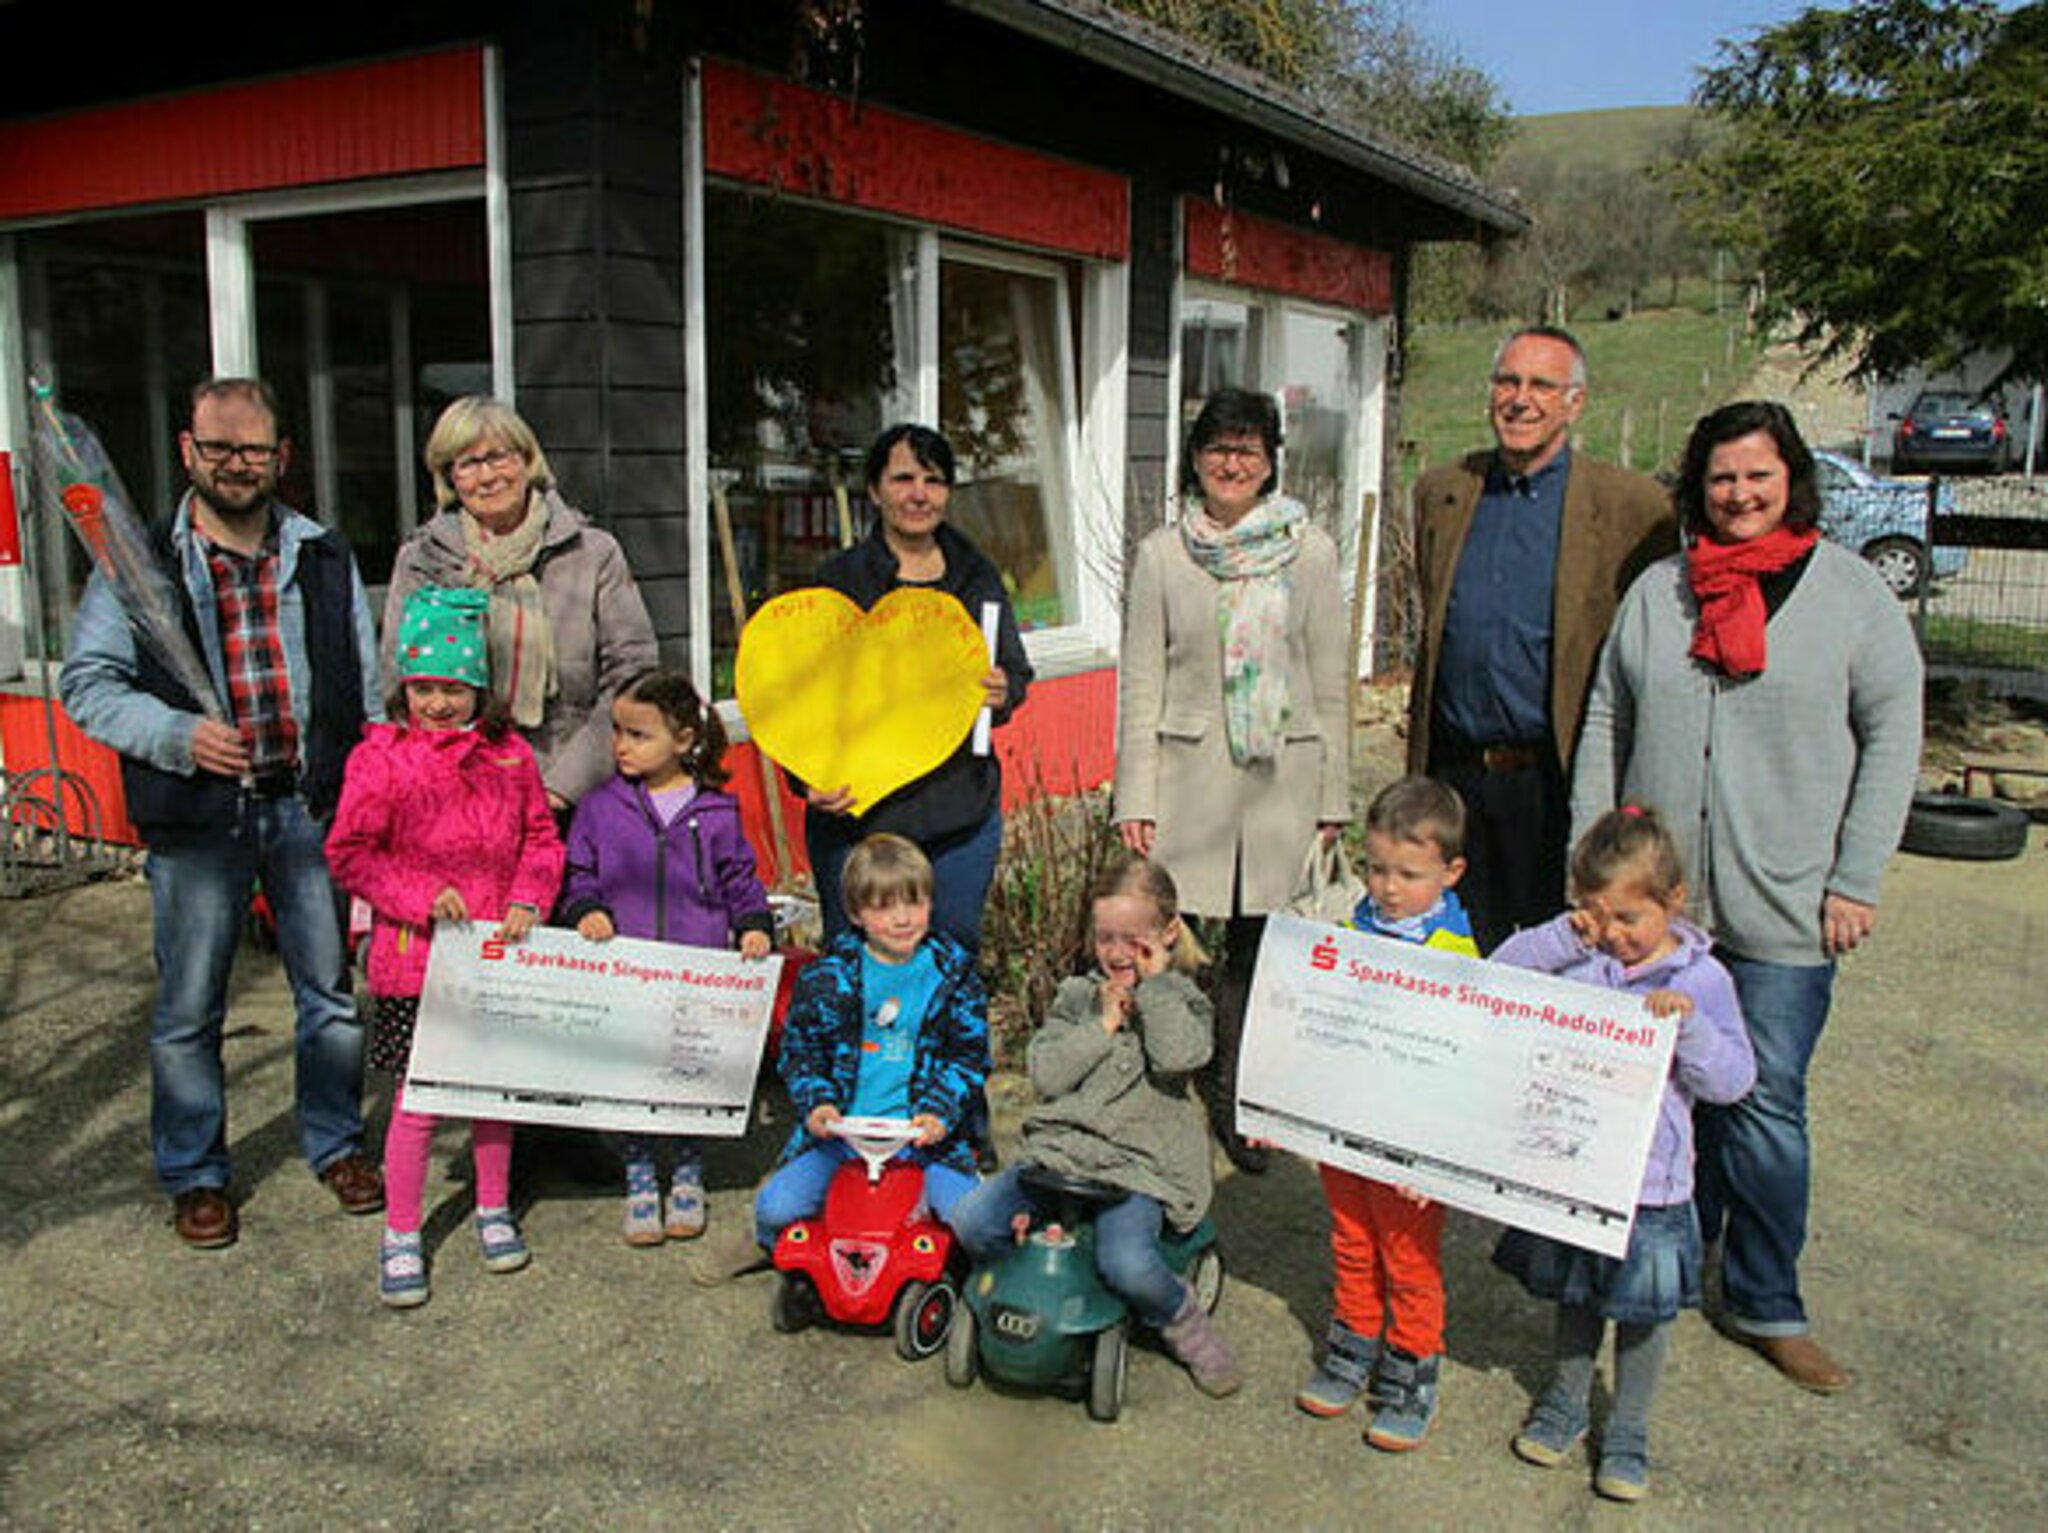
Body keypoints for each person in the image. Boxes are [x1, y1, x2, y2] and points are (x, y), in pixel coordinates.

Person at [1572, 399, 1922, 1395]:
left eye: (1757, 475)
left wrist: (1855, 876)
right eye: (1721, 477)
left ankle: (1767, 1299)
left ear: (1790, 481)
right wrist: (1589, 865)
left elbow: (1894, 730)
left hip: (1784, 903)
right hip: (1659, 910)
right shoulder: (1660, 593)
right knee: (1661, 1092)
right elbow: (1606, 717)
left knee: (1762, 1101)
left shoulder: (1849, 594)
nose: (1738, 494)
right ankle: (1669, 1269)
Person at [60, 377, 384, 1249]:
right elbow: (87, 684)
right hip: (199, 819)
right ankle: (197, 1171)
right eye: (219, 448)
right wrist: (178, 734)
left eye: (254, 449)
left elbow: (367, 688)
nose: (237, 465)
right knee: (189, 1007)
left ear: (282, 456)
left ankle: (336, 1142)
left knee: (330, 997)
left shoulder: (323, 554)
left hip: (307, 809)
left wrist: (368, 795)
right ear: (187, 451)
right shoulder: (139, 562)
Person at [1115, 388, 1351, 1174]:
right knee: (1170, 942)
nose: (1232, 463)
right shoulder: (1163, 554)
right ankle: (1160, 1082)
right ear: (1195, 458)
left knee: (1259, 949)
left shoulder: (1310, 552)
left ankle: (1237, 1096)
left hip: (1284, 777)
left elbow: (1330, 680)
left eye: (1248, 449)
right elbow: (1140, 684)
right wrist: (1134, 795)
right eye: (1218, 448)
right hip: (1188, 781)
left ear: (1271, 461)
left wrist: (1333, 797)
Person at [1490, 806, 1756, 1502]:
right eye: (1596, 915)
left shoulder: (1703, 980)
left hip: (1653, 1187)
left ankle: (1630, 1429)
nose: (1612, 934)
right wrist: (1562, 935)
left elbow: (1734, 1080)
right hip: (1578, 1170)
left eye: (1629, 918)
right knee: (1577, 1298)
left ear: (1674, 901)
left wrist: (1689, 1031)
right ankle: (1566, 1401)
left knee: (1643, 1316)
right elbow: (1497, 978)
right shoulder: (1582, 960)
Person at [324, 587, 565, 1308]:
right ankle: (401, 1230)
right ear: (403, 686)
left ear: (479, 690)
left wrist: (528, 898)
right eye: (423, 687)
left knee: (493, 1092)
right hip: (416, 961)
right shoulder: (381, 759)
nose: (437, 703)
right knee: (419, 1099)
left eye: (453, 689)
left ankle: (492, 1205)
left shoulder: (509, 757)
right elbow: (350, 852)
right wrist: (419, 896)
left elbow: (541, 839)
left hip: (494, 957)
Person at [1407, 326, 1675, 952]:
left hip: (1554, 778)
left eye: (1541, 385)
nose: (1520, 399)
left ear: (1575, 403)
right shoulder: (1444, 493)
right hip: (1457, 776)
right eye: (1507, 381)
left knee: (1564, 954)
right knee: (1454, 955)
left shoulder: (1634, 507)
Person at [950, 855, 1243, 1397]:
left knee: (1127, 1262)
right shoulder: (1078, 996)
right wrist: (1102, 1025)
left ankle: (1185, 1322)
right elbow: (1047, 1073)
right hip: (1064, 1153)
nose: (1117, 953)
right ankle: (1023, 1290)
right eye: (1106, 938)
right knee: (972, 1219)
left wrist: (1153, 989)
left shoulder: (1184, 999)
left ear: (1167, 934)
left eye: (1133, 940)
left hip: (1138, 1165)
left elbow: (1179, 1057)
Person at [692, 833, 986, 1283]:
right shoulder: (828, 978)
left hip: (924, 1139)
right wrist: (819, 1104)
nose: (903, 918)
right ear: (855, 913)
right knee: (776, 1208)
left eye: (914, 902)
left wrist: (940, 1111)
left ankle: (960, 1266)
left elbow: (968, 1056)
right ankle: (767, 1242)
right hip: (843, 1135)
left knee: (973, 1219)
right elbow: (801, 1053)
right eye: (884, 907)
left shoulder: (954, 975)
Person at [560, 669, 776, 1246]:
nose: (622, 746)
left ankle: (686, 1171)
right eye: (617, 731)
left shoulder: (718, 811)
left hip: (694, 971)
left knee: (688, 1076)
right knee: (630, 1076)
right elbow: (578, 872)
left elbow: (740, 880)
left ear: (683, 739)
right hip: (626, 973)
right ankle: (638, 1173)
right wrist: (585, 908)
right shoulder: (599, 808)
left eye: (638, 735)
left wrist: (753, 925)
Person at [798, 423, 1032, 952]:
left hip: (959, 814)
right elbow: (797, 694)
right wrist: (805, 777)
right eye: (903, 479)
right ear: (875, 490)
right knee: (855, 964)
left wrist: (1004, 690)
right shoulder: (839, 582)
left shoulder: (976, 577)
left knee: (949, 962)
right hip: (859, 816)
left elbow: (1014, 669)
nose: (919, 494)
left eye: (934, 480)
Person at [1295, 777, 1478, 1448]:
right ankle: (1353, 1343)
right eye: (1376, 869)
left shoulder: (1458, 957)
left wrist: (1436, 1155)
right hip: (1348, 1125)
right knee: (1351, 1238)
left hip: (1410, 1145)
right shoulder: (1351, 931)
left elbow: (1464, 1068)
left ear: (1450, 872)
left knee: (1408, 1256)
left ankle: (1411, 1366)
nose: (1389, 887)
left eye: (1409, 874)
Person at [384, 396, 657, 815]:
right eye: (468, 464)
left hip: (575, 796)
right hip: (458, 800)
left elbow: (633, 674)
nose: (487, 476)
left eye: (498, 457)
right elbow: (399, 680)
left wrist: (562, 788)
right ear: (449, 477)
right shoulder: (424, 560)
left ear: (527, 460)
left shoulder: (592, 553)